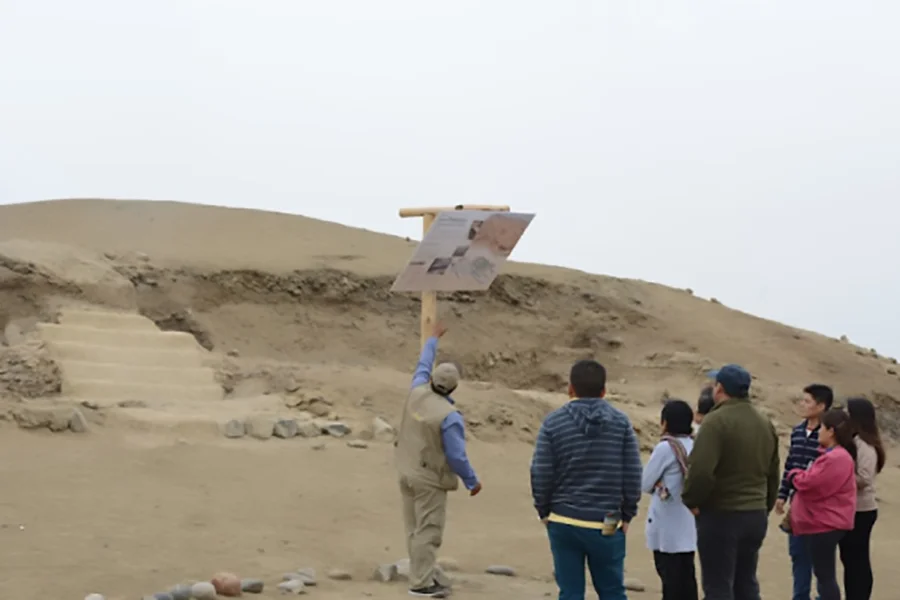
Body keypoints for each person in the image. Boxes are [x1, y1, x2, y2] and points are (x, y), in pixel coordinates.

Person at [530, 359, 642, 600]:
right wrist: (628, 513)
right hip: (608, 519)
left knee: (570, 592)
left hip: (563, 518)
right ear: (604, 391)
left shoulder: (553, 423)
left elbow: (541, 472)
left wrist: (544, 510)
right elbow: (633, 473)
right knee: (612, 591)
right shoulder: (621, 423)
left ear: (570, 389)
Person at [394, 322, 481, 598]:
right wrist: (472, 481)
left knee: (413, 528)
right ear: (454, 388)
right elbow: (456, 456)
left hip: (406, 469)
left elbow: (422, 364)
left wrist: (433, 339)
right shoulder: (449, 416)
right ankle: (421, 584)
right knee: (428, 530)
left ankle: (421, 572)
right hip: (429, 480)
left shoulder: (417, 390)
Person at [682, 364, 781, 600]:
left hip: (722, 514)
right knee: (746, 583)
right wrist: (764, 506)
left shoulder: (715, 421)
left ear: (720, 389)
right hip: (755, 514)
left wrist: (692, 500)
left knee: (718, 586)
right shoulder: (764, 422)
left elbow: (702, 470)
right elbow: (773, 472)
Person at [787, 409, 857, 600]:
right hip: (820, 522)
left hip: (825, 523)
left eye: (822, 428)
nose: (819, 432)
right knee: (823, 573)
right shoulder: (831, 455)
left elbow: (811, 483)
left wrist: (794, 475)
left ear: (831, 431)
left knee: (825, 576)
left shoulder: (836, 458)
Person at [776, 384, 833, 600]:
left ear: (821, 406)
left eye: (807, 401)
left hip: (820, 506)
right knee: (798, 555)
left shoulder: (829, 435)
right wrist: (782, 495)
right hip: (797, 504)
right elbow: (791, 464)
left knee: (821, 559)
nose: (802, 404)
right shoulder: (798, 431)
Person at [642, 399, 698, 600]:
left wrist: (659, 483)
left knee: (671, 581)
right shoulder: (695, 445)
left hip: (667, 525)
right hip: (689, 523)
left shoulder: (666, 448)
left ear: (665, 422)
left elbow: (645, 483)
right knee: (687, 578)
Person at [840, 397, 885, 600]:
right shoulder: (855, 441)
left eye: (847, 412)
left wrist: (839, 477)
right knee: (850, 559)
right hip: (853, 509)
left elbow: (865, 478)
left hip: (862, 510)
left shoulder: (865, 445)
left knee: (857, 561)